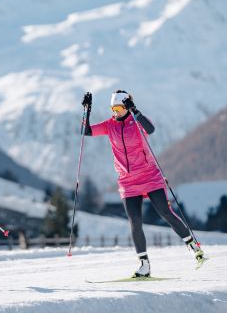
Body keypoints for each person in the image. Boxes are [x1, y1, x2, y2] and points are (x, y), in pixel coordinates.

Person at [81, 90, 204, 278]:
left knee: (165, 212)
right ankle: (144, 265)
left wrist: (135, 111)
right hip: (127, 181)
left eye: (119, 108)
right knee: (135, 221)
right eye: (112, 108)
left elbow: (151, 129)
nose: (115, 112)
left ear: (127, 106)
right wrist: (86, 110)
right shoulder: (109, 125)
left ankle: (194, 246)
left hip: (149, 175)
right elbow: (86, 131)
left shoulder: (136, 121)